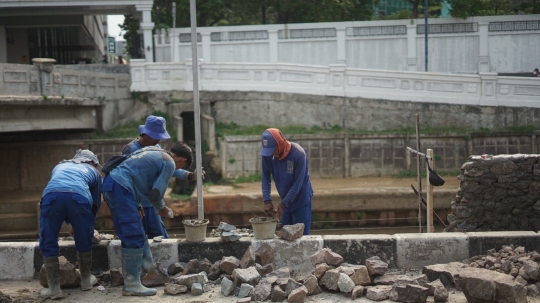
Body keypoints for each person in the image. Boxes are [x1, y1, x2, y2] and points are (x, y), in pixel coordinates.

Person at [102, 142, 192, 296]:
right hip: (121, 188)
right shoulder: (169, 162)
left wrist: (137, 205)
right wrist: (162, 208)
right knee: (133, 235)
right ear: (182, 161)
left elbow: (136, 178)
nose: (173, 172)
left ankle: (138, 277)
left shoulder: (154, 151)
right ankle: (131, 284)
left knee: (132, 232)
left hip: (115, 186)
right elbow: (156, 193)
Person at [122, 115, 203, 239]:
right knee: (139, 237)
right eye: (157, 137)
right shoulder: (131, 149)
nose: (159, 140)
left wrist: (189, 175)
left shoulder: (156, 147)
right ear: (146, 134)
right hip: (138, 201)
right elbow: (128, 178)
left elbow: (168, 168)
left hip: (150, 202)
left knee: (160, 237)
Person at [39, 150, 103, 299]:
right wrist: (86, 226)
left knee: (48, 239)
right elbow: (95, 204)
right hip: (79, 196)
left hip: (51, 197)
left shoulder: (59, 165)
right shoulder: (95, 172)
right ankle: (86, 280)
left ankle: (54, 289)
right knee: (83, 237)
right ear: (92, 163)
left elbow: (60, 188)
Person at [260, 128, 314, 235]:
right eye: (269, 151)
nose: (272, 154)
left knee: (301, 239)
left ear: (280, 143)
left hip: (301, 200)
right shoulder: (268, 155)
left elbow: (297, 184)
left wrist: (283, 204)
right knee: (285, 237)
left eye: (273, 149)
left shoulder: (298, 154)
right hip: (285, 200)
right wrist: (267, 200)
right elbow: (265, 177)